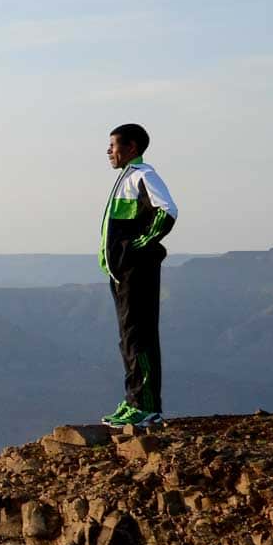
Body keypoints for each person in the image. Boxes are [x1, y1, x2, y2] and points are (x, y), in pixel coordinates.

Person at [97, 123, 177, 428]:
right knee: (129, 338)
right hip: (123, 274)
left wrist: (138, 246)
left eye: (113, 145)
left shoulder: (144, 175)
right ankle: (135, 401)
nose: (108, 151)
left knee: (139, 337)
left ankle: (145, 407)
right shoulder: (127, 177)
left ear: (131, 147)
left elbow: (167, 210)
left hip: (137, 271)